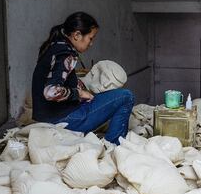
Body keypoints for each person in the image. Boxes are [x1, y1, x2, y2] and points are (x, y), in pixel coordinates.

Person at [32, 12, 134, 144]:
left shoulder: (55, 46)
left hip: (48, 116)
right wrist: (79, 93)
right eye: (90, 38)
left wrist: (79, 86)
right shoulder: (66, 55)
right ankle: (114, 144)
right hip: (61, 119)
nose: (91, 43)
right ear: (77, 35)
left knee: (98, 98)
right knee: (126, 96)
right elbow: (51, 92)